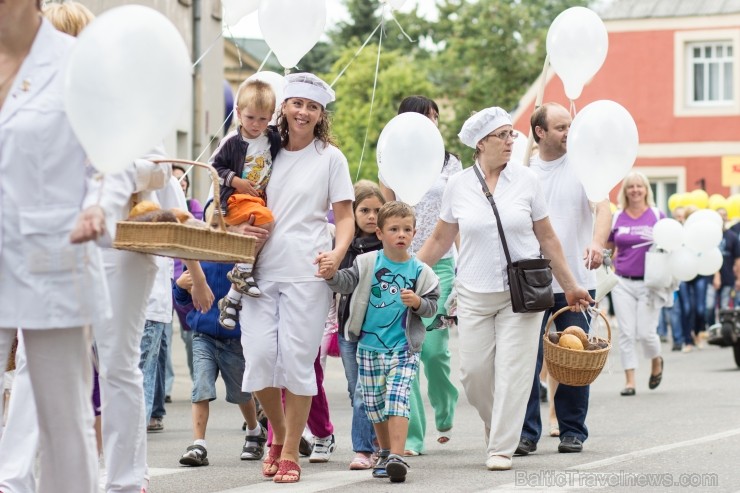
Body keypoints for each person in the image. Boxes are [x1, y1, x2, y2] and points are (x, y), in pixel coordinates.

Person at [416, 106, 592, 471]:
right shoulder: (458, 185)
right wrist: (408, 273)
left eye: (512, 134)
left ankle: (501, 446)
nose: (512, 141)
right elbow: (439, 238)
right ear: (481, 144)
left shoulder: (528, 181)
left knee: (514, 372)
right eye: (503, 135)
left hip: (522, 295)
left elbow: (548, 238)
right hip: (474, 294)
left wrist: (571, 285)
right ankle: (494, 424)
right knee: (474, 373)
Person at [0, 3, 109, 490]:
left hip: (53, 252)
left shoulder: (76, 63)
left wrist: (99, 202)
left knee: (64, 423)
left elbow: (113, 152)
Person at [238, 72, 354, 484]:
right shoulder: (260, 150)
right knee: (258, 358)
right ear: (283, 107)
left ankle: (287, 450)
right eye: (297, 103)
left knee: (297, 363)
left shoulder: (330, 158)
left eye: (313, 106)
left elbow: (344, 217)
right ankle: (283, 431)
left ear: (321, 114)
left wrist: (337, 254)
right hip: (258, 271)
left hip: (308, 273)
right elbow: (233, 201)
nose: (303, 112)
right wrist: (239, 230)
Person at [516, 102, 612, 456]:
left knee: (575, 360)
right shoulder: (523, 170)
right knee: (526, 362)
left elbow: (603, 207)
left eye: (570, 126)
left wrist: (597, 243)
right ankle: (526, 434)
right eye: (560, 127)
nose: (569, 133)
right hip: (532, 282)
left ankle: (573, 430)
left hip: (577, 279)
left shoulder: (584, 166)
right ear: (539, 132)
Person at [323, 201, 440, 483]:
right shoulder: (366, 263)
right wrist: (329, 274)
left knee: (397, 399)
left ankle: (397, 456)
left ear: (415, 232)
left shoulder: (421, 271)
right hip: (368, 348)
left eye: (407, 229)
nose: (401, 234)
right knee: (373, 403)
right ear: (380, 233)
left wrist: (418, 303)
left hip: (403, 348)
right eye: (394, 229)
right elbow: (345, 283)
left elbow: (433, 306)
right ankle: (385, 451)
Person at [379, 95, 461, 456]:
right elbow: (386, 213)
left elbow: (457, 218)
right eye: (425, 117)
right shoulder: (390, 161)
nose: (432, 124)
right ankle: (411, 437)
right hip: (399, 265)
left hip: (440, 265)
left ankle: (445, 402)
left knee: (433, 351)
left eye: (435, 118)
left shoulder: (451, 164)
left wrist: (463, 268)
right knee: (405, 352)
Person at [174, 261, 266, 467]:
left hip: (235, 338)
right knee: (201, 386)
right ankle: (198, 444)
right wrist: (180, 285)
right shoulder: (196, 260)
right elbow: (182, 300)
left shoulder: (240, 257)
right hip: (202, 335)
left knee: (241, 392)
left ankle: (254, 431)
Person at [212, 79, 281, 328]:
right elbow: (213, 166)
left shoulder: (272, 139)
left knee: (260, 233)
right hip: (236, 198)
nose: (256, 125)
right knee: (267, 223)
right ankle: (241, 270)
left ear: (271, 117)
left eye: (263, 119)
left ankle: (232, 299)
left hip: (256, 200)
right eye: (250, 118)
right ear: (239, 113)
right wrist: (236, 181)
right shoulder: (233, 141)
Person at [336, 180, 385, 470]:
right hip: (349, 331)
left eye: (377, 210)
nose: (370, 216)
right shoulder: (345, 247)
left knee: (374, 390)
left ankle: (368, 448)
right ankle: (370, 446)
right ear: (353, 213)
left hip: (380, 333)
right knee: (357, 390)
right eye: (364, 210)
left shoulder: (391, 247)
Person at [606, 171, 665, 396]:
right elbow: (609, 247)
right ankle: (630, 380)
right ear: (625, 191)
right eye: (631, 187)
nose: (635, 190)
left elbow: (671, 245)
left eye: (639, 186)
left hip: (651, 283)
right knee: (626, 332)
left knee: (647, 334)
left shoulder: (657, 215)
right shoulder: (617, 216)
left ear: (646, 190)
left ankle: (656, 360)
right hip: (622, 281)